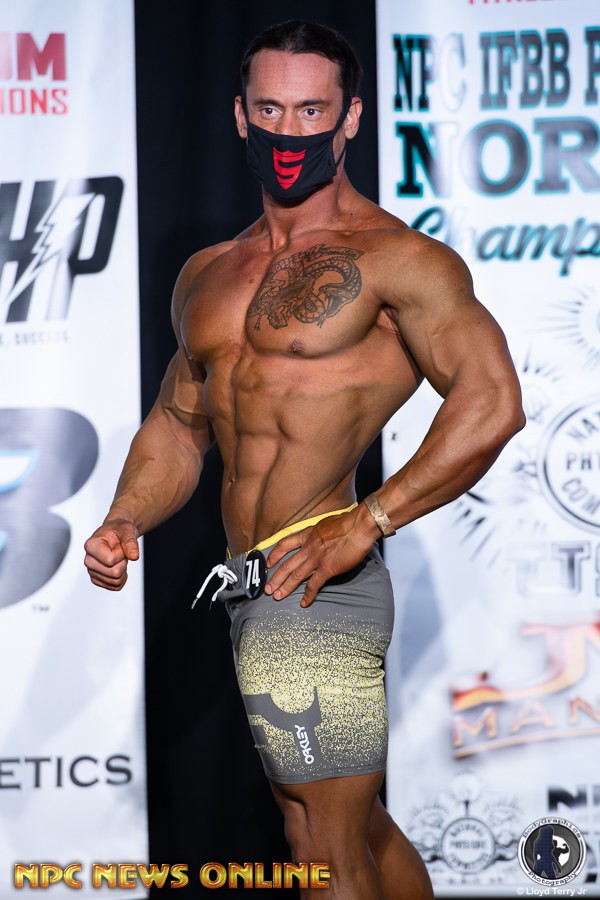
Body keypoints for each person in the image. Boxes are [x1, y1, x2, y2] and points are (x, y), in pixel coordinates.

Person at [84, 19, 525, 900]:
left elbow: (493, 402)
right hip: (252, 587)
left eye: (313, 111)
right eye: (272, 110)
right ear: (240, 116)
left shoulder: (398, 260)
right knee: (352, 825)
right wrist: (126, 514)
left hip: (316, 586)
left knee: (316, 839)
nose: (291, 132)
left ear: (351, 117)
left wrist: (366, 522)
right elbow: (178, 426)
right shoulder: (210, 272)